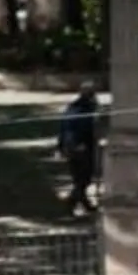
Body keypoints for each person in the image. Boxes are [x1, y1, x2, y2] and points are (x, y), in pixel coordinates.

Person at [58, 84, 102, 212]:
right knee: (84, 177)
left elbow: (63, 127)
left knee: (79, 177)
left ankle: (81, 202)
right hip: (82, 147)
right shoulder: (87, 109)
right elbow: (87, 129)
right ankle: (72, 202)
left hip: (70, 146)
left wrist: (61, 145)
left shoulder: (72, 107)